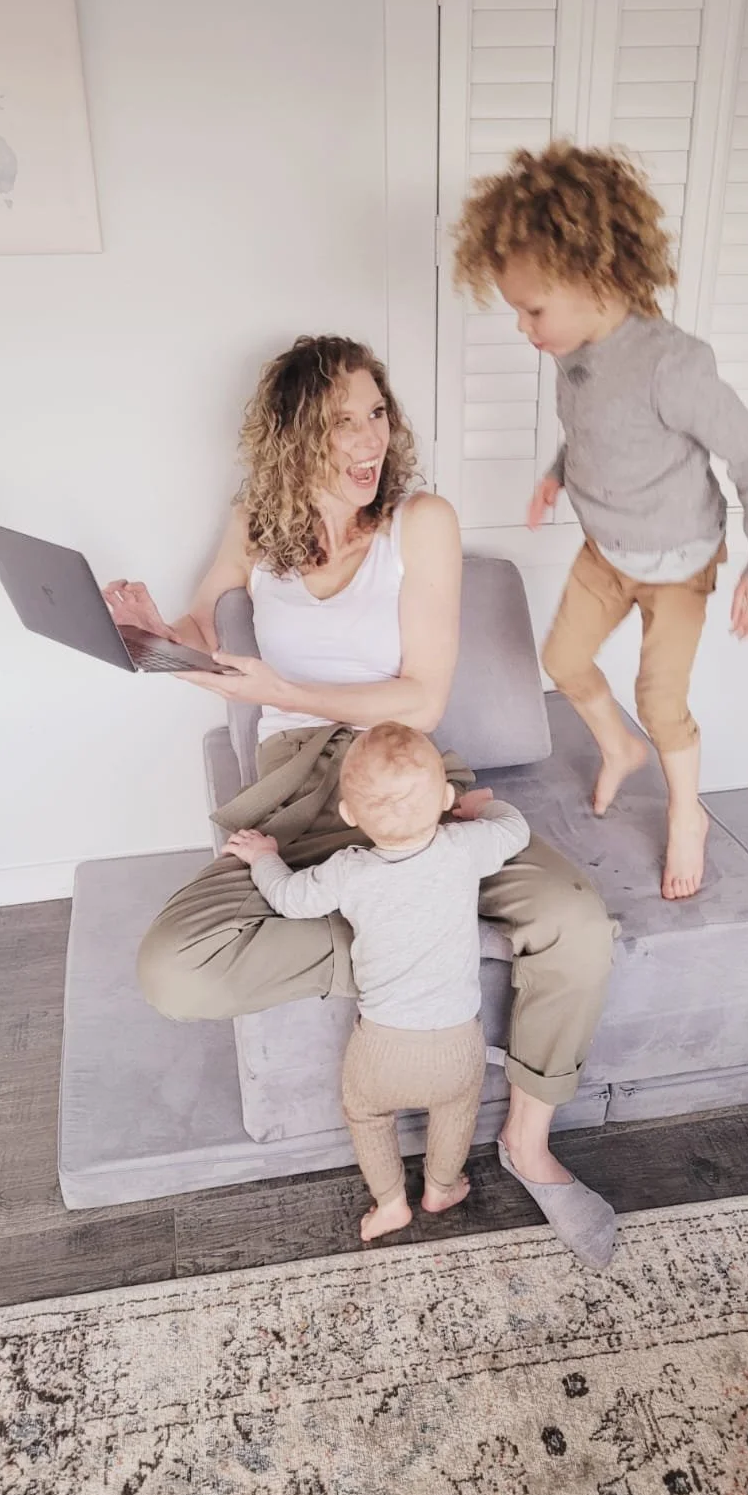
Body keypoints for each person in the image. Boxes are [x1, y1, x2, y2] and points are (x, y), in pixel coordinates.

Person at [103, 333, 618, 1267]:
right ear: (294, 433)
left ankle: (529, 1143)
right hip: (300, 783)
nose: (368, 437)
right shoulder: (257, 518)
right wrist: (148, 632)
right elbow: (197, 621)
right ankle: (410, 943)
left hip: (407, 769)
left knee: (576, 922)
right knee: (172, 970)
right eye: (341, 420)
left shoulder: (421, 521)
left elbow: (421, 696)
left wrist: (281, 690)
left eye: (376, 412)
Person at [453, 142, 748, 900]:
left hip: (679, 565)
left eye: (532, 309)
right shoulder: (571, 349)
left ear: (594, 277)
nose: (523, 328)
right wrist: (554, 478)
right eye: (516, 310)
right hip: (606, 553)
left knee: (658, 700)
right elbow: (591, 429)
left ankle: (686, 811)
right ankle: (618, 750)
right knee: (564, 660)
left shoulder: (671, 365)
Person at [224, 722, 532, 1245]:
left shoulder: (350, 870)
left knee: (366, 1115)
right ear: (445, 797)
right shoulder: (465, 848)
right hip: (458, 1041)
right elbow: (516, 829)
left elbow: (291, 899)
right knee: (457, 1110)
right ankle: (441, 1187)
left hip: (382, 1044)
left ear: (348, 814)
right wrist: (483, 809)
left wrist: (263, 857)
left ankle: (391, 1203)